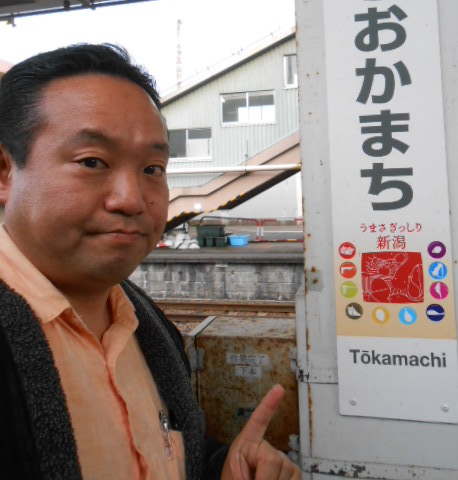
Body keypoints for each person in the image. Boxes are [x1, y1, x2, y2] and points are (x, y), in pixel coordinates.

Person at [0, 43, 301, 480]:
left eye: (152, 169)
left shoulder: (146, 323)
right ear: (5, 172)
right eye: (92, 162)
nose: (132, 199)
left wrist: (221, 468)